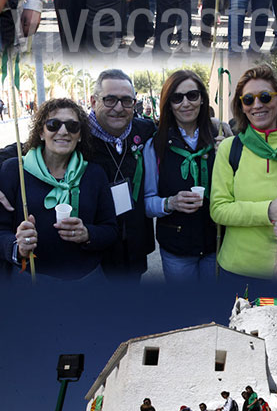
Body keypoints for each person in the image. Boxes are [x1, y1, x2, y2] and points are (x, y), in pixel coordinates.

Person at [0, 97, 117, 279]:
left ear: (79, 136)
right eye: (53, 124)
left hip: (86, 280)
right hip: (31, 280)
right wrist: (16, 246)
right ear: (41, 132)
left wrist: (87, 234)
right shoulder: (15, 171)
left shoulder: (94, 174)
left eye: (72, 126)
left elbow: (110, 229)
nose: (63, 131)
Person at [210, 64, 277, 276]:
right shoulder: (230, 148)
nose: (257, 105)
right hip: (238, 271)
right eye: (248, 99)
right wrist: (268, 211)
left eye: (265, 97)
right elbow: (218, 209)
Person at [143, 70, 217, 282]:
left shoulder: (219, 137)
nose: (185, 103)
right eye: (177, 98)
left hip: (216, 244)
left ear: (202, 99)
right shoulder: (154, 146)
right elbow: (147, 204)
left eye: (192, 95)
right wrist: (170, 203)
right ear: (169, 104)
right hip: (177, 249)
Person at [88, 69, 155, 279]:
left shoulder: (145, 129)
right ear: (93, 101)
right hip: (96, 251)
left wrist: (214, 125)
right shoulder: (76, 134)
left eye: (126, 101)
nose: (118, 108)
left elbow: (178, 131)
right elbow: (26, 149)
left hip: (134, 245)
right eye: (109, 100)